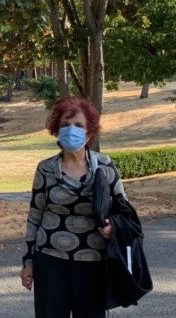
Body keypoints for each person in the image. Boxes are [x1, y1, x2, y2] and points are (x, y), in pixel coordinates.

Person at [20, 96, 128, 317]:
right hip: (49, 261)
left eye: (78, 125)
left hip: (93, 264)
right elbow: (34, 216)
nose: (71, 130)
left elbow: (125, 211)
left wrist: (112, 229)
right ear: (57, 132)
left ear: (89, 134)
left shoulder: (105, 166)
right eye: (65, 125)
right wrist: (27, 262)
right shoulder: (46, 168)